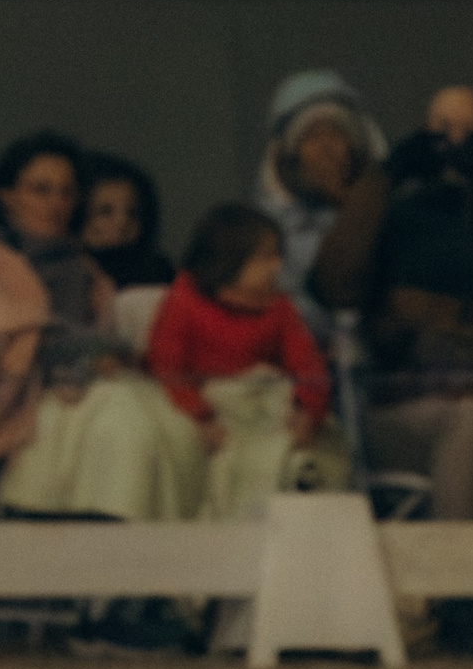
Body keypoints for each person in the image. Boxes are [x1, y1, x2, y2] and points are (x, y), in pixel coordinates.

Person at [0, 132, 204, 524]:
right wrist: (87, 357)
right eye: (41, 190)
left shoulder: (80, 267)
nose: (56, 203)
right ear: (8, 196)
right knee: (124, 423)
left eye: (66, 192)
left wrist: (101, 359)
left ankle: (167, 553)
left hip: (71, 395)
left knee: (171, 424)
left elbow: (92, 339)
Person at [313, 93, 473, 524]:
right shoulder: (396, 216)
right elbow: (333, 285)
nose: (451, 143)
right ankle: (459, 565)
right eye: (439, 130)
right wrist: (385, 177)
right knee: (470, 418)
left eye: (467, 132)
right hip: (412, 407)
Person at [145, 202, 343, 521]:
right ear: (229, 259)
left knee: (311, 455)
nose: (277, 265)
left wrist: (309, 410)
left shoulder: (278, 307)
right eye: (265, 257)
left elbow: (308, 366)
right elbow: (167, 367)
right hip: (211, 407)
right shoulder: (185, 300)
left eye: (278, 255)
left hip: (263, 404)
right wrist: (200, 416)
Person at [254, 71, 386, 343]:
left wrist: (358, 209)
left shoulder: (389, 220)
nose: (327, 149)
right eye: (312, 137)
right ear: (289, 154)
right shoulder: (262, 231)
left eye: (337, 135)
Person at [78, 153, 174, 290]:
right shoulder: (66, 271)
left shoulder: (161, 273)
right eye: (105, 211)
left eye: (132, 212)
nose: (122, 222)